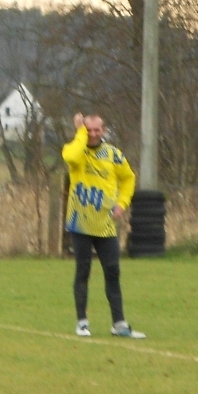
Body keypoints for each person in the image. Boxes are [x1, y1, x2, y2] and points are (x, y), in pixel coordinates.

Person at [62, 112, 145, 339]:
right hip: (80, 223)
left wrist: (122, 203)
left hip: (105, 225)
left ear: (104, 131)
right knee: (83, 270)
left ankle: (118, 324)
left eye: (97, 130)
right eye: (89, 130)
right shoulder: (75, 150)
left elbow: (128, 178)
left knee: (112, 271)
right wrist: (79, 132)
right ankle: (82, 322)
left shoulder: (113, 155)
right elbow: (71, 158)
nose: (93, 134)